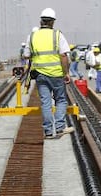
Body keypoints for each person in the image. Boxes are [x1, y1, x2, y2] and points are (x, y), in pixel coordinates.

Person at [24, 7, 74, 139]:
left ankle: (48, 131)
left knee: (46, 102)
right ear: (52, 22)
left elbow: (26, 55)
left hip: (40, 74)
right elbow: (64, 56)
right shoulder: (58, 35)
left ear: (41, 21)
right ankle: (59, 128)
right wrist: (66, 73)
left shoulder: (32, 36)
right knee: (61, 100)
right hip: (57, 74)